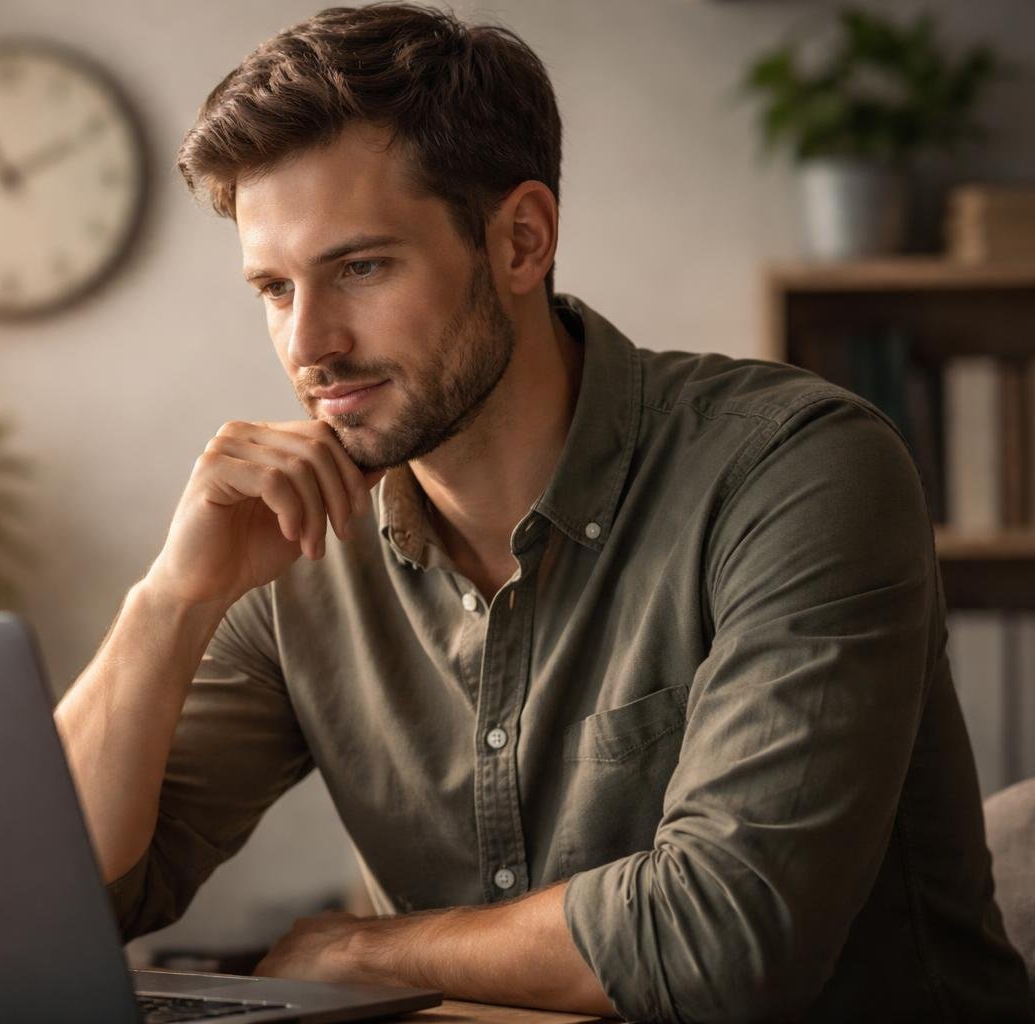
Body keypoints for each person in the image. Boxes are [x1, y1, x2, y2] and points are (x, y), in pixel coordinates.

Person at [53, 4, 1032, 1021]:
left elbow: (732, 937)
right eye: (273, 286)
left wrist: (371, 951)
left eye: (361, 268)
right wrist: (170, 600)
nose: (310, 346)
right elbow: (60, 898)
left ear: (521, 240)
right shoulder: (298, 540)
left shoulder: (798, 470)